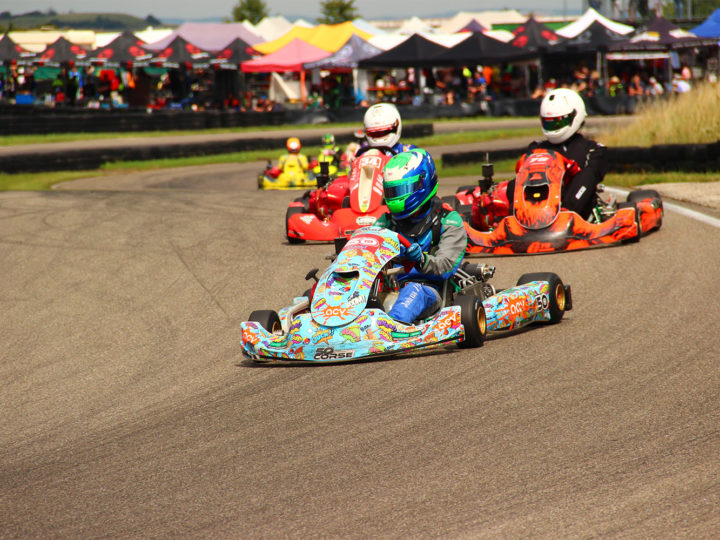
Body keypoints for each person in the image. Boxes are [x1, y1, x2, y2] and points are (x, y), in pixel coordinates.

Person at [375, 149, 467, 324]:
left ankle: (391, 330)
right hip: (391, 288)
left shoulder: (447, 220)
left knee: (413, 291)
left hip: (430, 290)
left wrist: (422, 261)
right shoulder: (386, 222)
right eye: (392, 192)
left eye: (401, 190)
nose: (395, 198)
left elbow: (445, 267)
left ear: (421, 184)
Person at [508, 88, 608, 220]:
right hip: (536, 208)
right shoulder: (536, 147)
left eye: (558, 122)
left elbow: (592, 175)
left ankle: (567, 214)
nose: (554, 127)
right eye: (549, 123)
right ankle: (514, 217)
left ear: (575, 117)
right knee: (513, 183)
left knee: (588, 174)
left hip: (577, 211)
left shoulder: (592, 149)